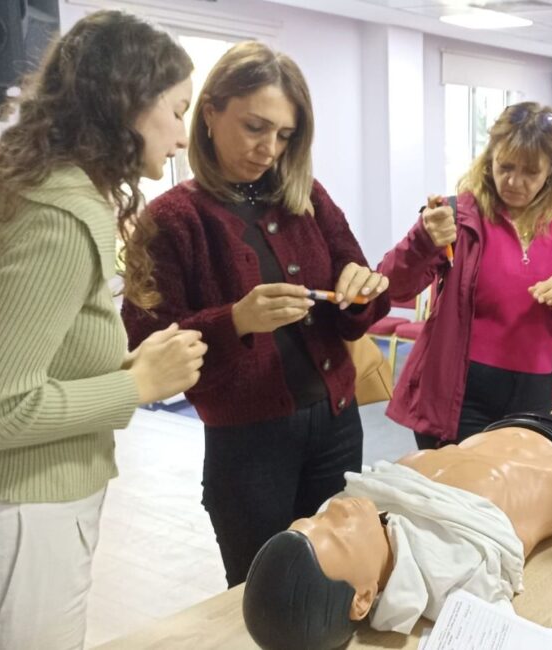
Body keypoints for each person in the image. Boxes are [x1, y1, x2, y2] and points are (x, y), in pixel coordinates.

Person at [0, 11, 207, 650]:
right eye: (177, 110)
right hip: (15, 521)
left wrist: (123, 369)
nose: (181, 135)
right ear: (128, 104)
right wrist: (136, 386)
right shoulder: (60, 216)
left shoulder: (11, 189)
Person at [121, 42, 390, 588]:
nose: (269, 149)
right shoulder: (173, 219)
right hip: (247, 444)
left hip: (337, 425)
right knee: (261, 593)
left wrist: (362, 293)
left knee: (341, 577)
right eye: (254, 127)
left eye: (285, 135)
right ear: (211, 112)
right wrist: (235, 321)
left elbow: (360, 298)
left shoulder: (306, 196)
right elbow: (145, 340)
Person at [241, 412, 552, 650]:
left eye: (314, 518)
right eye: (336, 531)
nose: (334, 508)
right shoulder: (453, 570)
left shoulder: (365, 497)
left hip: (505, 424)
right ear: (362, 599)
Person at [379, 102, 552, 449]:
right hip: (461, 394)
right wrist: (422, 240)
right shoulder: (459, 216)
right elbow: (393, 286)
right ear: (489, 160)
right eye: (505, 166)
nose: (514, 181)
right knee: (461, 497)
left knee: (519, 497)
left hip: (534, 394)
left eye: (530, 171)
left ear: (551, 171)